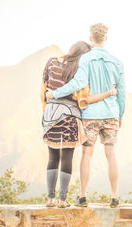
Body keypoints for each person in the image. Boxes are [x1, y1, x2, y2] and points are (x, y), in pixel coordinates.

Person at [46, 23, 126, 208]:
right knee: (111, 154)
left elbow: (78, 82)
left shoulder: (86, 59)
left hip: (90, 114)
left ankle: (82, 196)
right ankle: (114, 196)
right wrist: (120, 114)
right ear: (106, 38)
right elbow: (122, 92)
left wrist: (54, 94)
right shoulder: (117, 62)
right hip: (111, 114)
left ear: (90, 38)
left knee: (87, 154)